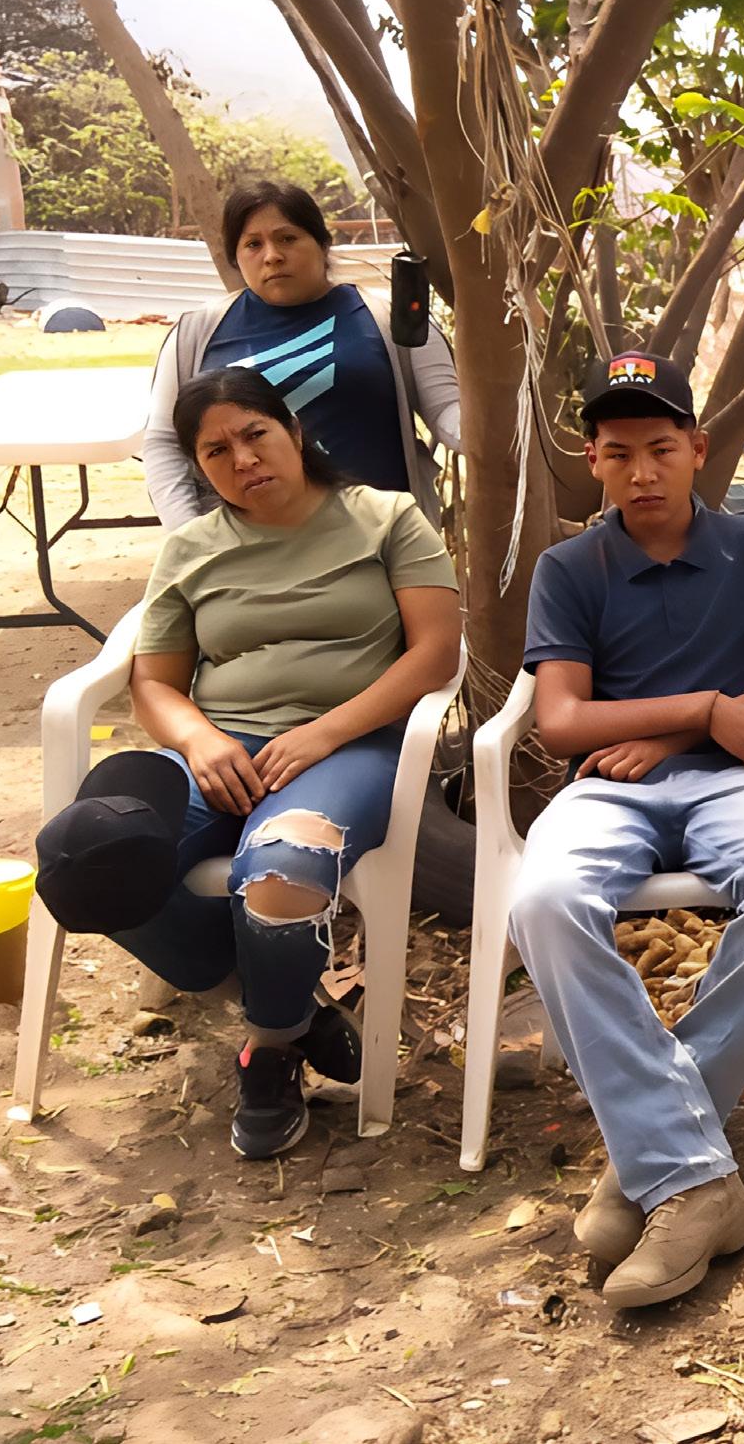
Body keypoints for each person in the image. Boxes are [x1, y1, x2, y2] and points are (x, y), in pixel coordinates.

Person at [32, 368, 461, 1159]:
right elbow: (154, 683)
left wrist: (324, 732)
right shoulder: (191, 548)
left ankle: (266, 1050)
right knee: (86, 862)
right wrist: (199, 739)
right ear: (199, 466)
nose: (242, 459)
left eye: (255, 434)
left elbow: (434, 652)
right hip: (219, 748)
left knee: (282, 871)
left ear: (293, 430)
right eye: (216, 450)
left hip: (351, 744)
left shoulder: (385, 517)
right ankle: (292, 1013)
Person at [510, 351, 744, 1311]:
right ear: (593, 462)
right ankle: (699, 1179)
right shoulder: (570, 567)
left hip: (736, 781)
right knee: (544, 898)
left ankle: (652, 1157)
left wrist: (685, 734)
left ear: (698, 448)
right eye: (619, 454)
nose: (642, 471)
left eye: (661, 448)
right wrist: (699, 708)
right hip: (609, 788)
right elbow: (561, 720)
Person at [143, 181, 460, 529]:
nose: (272, 256)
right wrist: (188, 535)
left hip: (380, 539)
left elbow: (447, 410)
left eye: (287, 238)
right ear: (235, 257)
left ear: (323, 243)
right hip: (251, 549)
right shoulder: (195, 334)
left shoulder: (389, 319)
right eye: (253, 244)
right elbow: (164, 441)